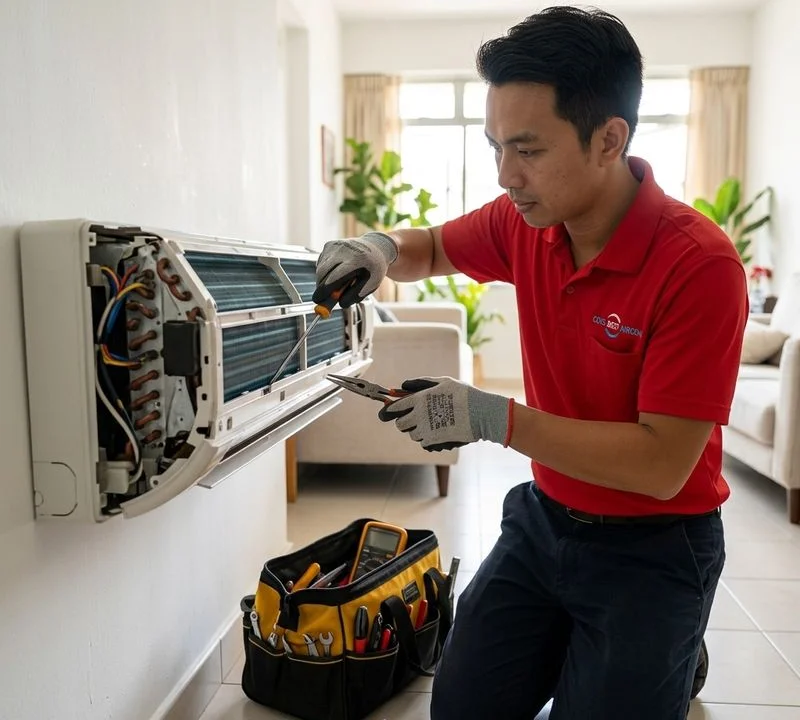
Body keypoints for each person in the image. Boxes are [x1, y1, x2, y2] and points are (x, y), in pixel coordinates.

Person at [314, 6, 748, 719]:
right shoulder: (524, 222)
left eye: (529, 149)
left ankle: (673, 645)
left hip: (657, 545)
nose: (507, 175)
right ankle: (642, 653)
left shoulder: (697, 264)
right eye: (495, 147)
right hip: (545, 523)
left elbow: (661, 463)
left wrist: (488, 417)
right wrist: (379, 250)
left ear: (609, 139)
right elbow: (428, 246)